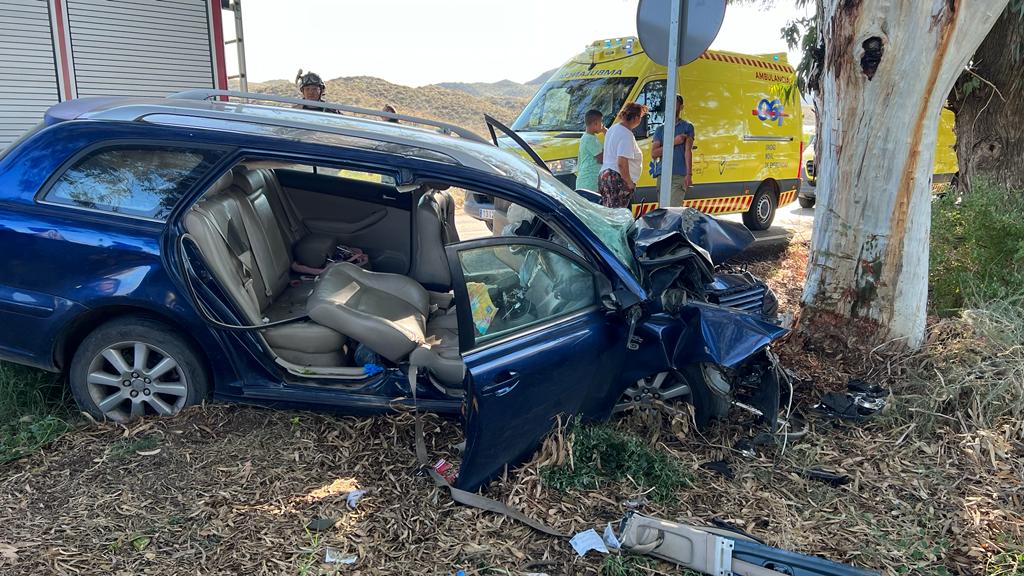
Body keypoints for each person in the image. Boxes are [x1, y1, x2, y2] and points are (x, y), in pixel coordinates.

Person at [598, 103, 647, 209]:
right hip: (617, 178)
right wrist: (629, 183)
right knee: (619, 216)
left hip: (605, 175)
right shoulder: (626, 134)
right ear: (635, 117)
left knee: (609, 212)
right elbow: (622, 162)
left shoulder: (613, 129)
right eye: (640, 117)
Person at [651, 94, 695, 206]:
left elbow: (688, 151)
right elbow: (654, 153)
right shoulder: (660, 129)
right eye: (669, 104)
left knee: (673, 210)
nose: (671, 106)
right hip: (663, 175)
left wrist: (689, 174)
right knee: (663, 210)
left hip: (678, 175)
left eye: (675, 104)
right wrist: (674, 142)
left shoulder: (687, 127)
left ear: (681, 107)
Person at [575, 109, 605, 192]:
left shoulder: (591, 137)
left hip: (590, 182)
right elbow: (601, 158)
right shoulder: (589, 139)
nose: (602, 125)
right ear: (595, 124)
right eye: (601, 123)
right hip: (589, 182)